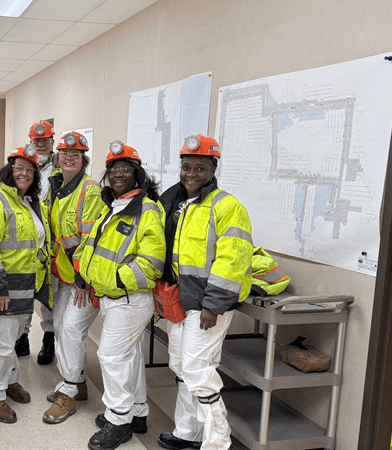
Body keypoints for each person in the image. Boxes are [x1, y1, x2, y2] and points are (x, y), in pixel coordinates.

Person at [158, 135, 253, 450]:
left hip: (206, 306)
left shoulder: (227, 206)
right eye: (186, 167)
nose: (191, 174)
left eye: (200, 167)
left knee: (198, 372)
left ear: (213, 169)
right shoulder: (181, 205)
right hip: (180, 303)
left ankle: (218, 441)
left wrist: (213, 305)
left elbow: (231, 261)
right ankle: (187, 432)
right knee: (182, 367)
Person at [78, 141, 165, 450]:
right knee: (128, 356)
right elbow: (93, 247)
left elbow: (151, 262)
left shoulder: (147, 209)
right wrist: (84, 273)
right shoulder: (114, 206)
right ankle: (137, 412)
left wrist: (115, 280)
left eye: (125, 169)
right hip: (113, 296)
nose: (118, 174)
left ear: (137, 174)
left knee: (111, 356)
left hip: (129, 297)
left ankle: (118, 421)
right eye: (113, 169)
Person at [0, 145, 52, 424]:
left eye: (30, 170)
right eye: (19, 168)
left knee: (14, 338)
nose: (25, 173)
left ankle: (10, 381)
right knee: (1, 342)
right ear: (9, 171)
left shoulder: (32, 203)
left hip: (26, 286)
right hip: (4, 287)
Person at [42, 131, 104, 424]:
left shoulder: (89, 189)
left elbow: (90, 236)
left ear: (83, 160)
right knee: (58, 325)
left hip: (83, 276)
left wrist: (82, 278)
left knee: (70, 330)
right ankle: (77, 382)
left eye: (75, 155)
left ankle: (68, 391)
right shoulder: (59, 185)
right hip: (64, 272)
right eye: (65, 153)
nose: (69, 158)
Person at [14, 119, 57, 364]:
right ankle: (22, 336)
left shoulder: (62, 167)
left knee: (48, 291)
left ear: (52, 141)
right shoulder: (24, 164)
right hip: (25, 238)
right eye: (36, 140)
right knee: (25, 289)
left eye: (45, 140)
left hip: (51, 238)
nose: (41, 144)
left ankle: (48, 338)